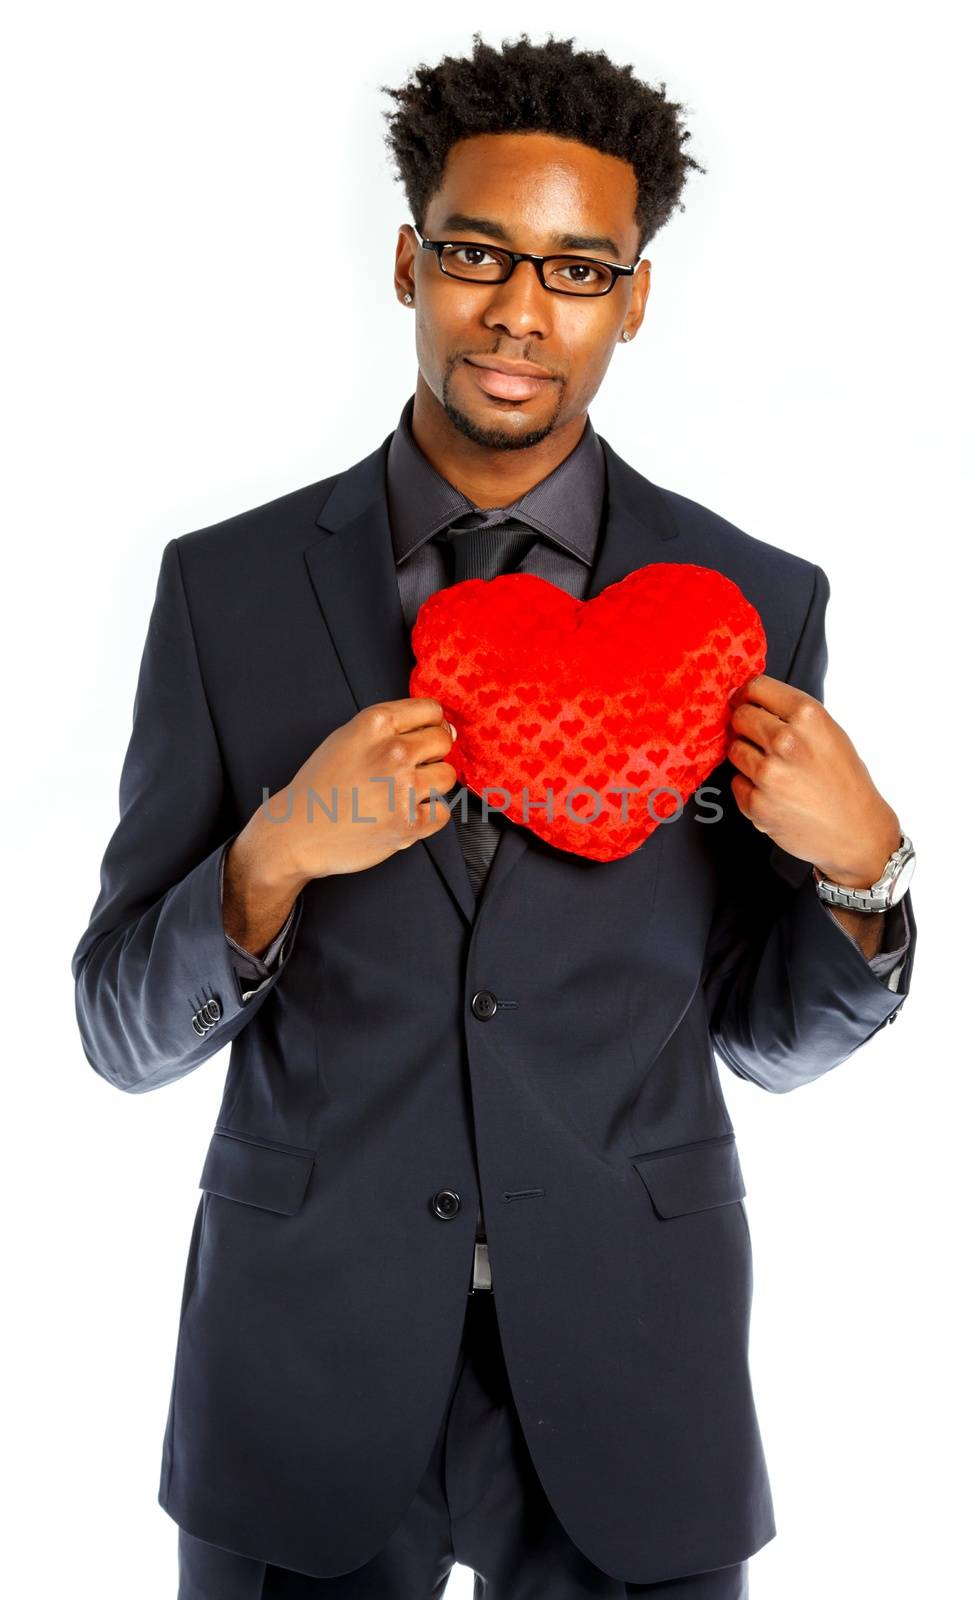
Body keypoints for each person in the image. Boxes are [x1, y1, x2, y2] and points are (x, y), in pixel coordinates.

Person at [71, 31, 917, 1600]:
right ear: (409, 262)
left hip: (633, 1371)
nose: (519, 312)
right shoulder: (227, 589)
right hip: (298, 1369)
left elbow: (766, 1037)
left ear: (634, 297)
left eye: (578, 270)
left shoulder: (754, 604)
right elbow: (119, 1030)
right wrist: (272, 856)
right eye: (477, 253)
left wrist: (865, 869)